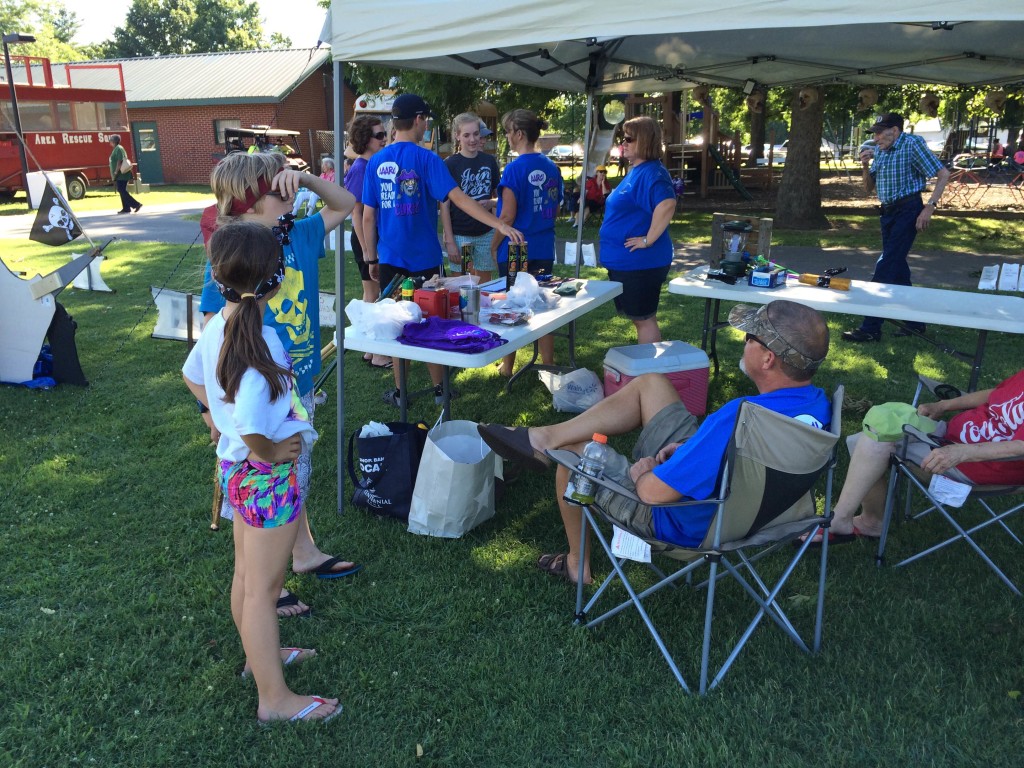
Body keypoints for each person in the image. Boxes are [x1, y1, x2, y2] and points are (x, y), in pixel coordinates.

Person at [478, 299, 831, 584]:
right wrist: (692, 452)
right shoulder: (818, 407)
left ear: (768, 359)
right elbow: (743, 461)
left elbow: (652, 494)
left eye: (750, 337)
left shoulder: (740, 418)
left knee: (573, 455)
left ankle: (576, 563)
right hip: (746, 511)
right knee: (652, 384)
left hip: (680, 522)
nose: (744, 342)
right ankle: (542, 437)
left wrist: (644, 472)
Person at [184, 222, 340, 724]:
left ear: (218, 278)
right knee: (263, 591)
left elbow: (191, 375)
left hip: (235, 470)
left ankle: (260, 658)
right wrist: (269, 449)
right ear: (277, 280)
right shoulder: (262, 342)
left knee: (247, 578)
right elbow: (252, 423)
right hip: (265, 478)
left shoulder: (219, 325)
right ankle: (274, 699)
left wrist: (218, 418)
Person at [198, 151, 361, 618]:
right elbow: (212, 335)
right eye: (278, 186)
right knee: (263, 488)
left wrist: (305, 179)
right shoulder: (232, 257)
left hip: (296, 383)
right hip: (259, 394)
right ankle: (265, 583)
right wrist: (210, 409)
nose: (288, 189)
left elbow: (345, 202)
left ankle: (302, 553)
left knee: (294, 474)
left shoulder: (299, 233)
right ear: (248, 203)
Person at [361, 93, 523, 406]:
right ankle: (440, 390)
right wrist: (499, 225)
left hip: (390, 258)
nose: (426, 126)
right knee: (431, 323)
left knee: (396, 325)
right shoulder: (427, 159)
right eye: (426, 120)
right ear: (418, 120)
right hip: (424, 260)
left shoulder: (377, 161)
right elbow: (458, 198)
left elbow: (368, 216)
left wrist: (371, 257)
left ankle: (401, 393)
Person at [806, 371, 1024, 543]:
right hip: (951, 435)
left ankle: (845, 520)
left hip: (978, 463)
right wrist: (943, 405)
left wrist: (964, 451)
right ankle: (869, 520)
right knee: (872, 432)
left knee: (873, 441)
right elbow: (997, 393)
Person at [842, 113, 950, 342]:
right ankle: (915, 322)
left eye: (880, 132)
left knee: (886, 265)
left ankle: (871, 328)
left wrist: (929, 207)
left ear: (895, 130)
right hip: (887, 214)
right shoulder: (880, 150)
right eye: (875, 133)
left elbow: (943, 174)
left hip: (908, 210)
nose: (876, 138)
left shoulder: (912, 144)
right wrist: (864, 165)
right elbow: (868, 188)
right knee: (898, 268)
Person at [491, 108, 563, 378]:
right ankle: (548, 363)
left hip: (516, 248)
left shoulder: (514, 169)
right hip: (544, 245)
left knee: (513, 306)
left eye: (508, 132)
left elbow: (507, 216)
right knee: (543, 304)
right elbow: (555, 209)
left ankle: (507, 366)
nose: (507, 137)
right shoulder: (551, 167)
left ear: (519, 134)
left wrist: (493, 244)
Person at [598, 116, 677, 345]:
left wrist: (647, 240)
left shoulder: (653, 173)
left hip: (641, 264)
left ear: (644, 141)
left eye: (629, 139)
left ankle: (649, 366)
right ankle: (647, 364)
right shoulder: (638, 170)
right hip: (628, 263)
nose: (623, 143)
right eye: (623, 139)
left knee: (645, 320)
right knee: (640, 319)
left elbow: (667, 204)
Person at [343, 115, 391, 368]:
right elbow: (357, 213)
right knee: (375, 295)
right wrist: (367, 250)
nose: (384, 139)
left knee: (371, 294)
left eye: (385, 134)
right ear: (365, 138)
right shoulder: (361, 168)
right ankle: (378, 353)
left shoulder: (371, 164)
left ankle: (370, 350)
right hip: (365, 238)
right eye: (379, 135)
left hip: (371, 238)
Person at [441, 113, 500, 282]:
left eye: (476, 134)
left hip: (486, 233)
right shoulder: (450, 164)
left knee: (484, 283)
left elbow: (500, 198)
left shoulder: (489, 161)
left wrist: (491, 203)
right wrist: (449, 240)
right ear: (457, 136)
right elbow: (444, 205)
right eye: (466, 135)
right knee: (462, 284)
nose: (472, 139)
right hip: (461, 235)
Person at [108, 135, 141, 214]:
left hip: (122, 174)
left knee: (121, 189)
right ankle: (126, 208)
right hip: (120, 174)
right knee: (121, 190)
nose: (110, 141)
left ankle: (136, 204)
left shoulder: (119, 148)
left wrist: (116, 172)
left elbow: (120, 161)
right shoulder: (116, 149)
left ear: (114, 141)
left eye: (111, 140)